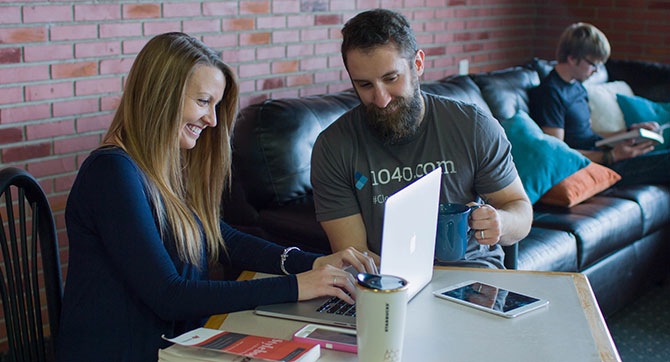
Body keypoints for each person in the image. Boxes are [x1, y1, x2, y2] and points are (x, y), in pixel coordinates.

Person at [56, 32, 375, 362]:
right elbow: (169, 295)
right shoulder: (111, 173)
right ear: (161, 95)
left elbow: (222, 238)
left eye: (216, 105)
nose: (212, 120)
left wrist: (311, 263)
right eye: (203, 102)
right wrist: (297, 285)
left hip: (173, 344)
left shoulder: (157, 167)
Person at [310, 9, 532, 269]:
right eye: (365, 85)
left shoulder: (473, 126)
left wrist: (501, 222)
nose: (381, 99)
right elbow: (354, 256)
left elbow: (520, 211)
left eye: (391, 78)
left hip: (474, 279)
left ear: (418, 64)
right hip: (389, 283)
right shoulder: (333, 146)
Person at [530, 22, 670, 185]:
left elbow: (589, 137)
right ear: (572, 58)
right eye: (593, 64)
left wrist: (629, 133)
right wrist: (611, 156)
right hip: (590, 165)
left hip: (602, 155)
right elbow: (557, 153)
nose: (596, 70)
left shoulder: (577, 87)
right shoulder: (551, 93)